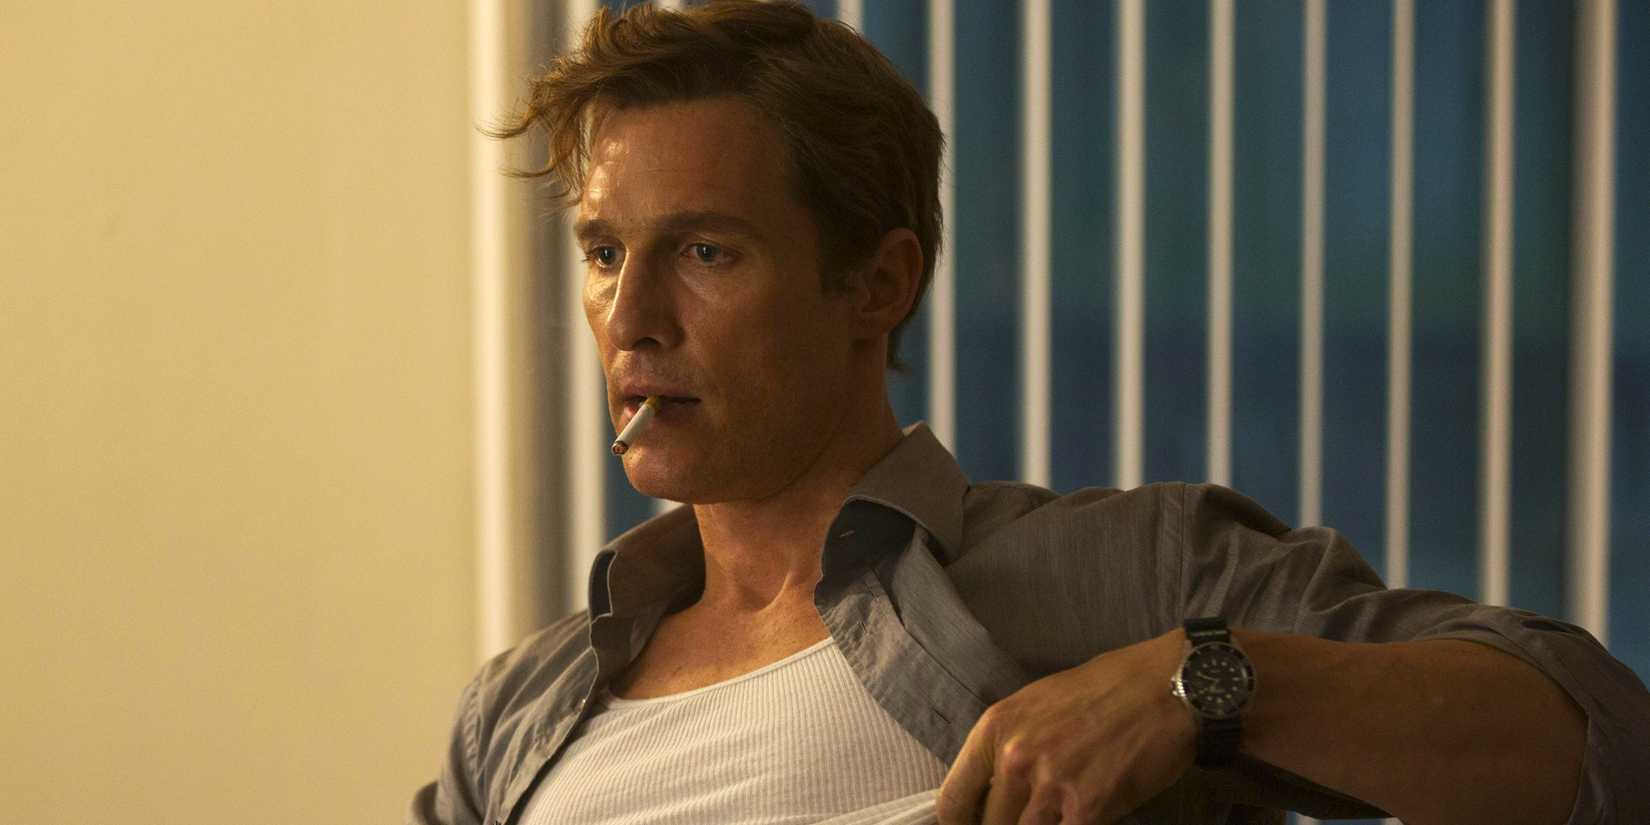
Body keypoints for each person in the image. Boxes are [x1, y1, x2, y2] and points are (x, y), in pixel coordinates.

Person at [409, 2, 1650, 824]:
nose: (630, 317)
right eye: (604, 252)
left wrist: (1200, 684)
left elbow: (1597, 737)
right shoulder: (520, 711)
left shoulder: (1122, 575)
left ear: (877, 284)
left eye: (706, 253)